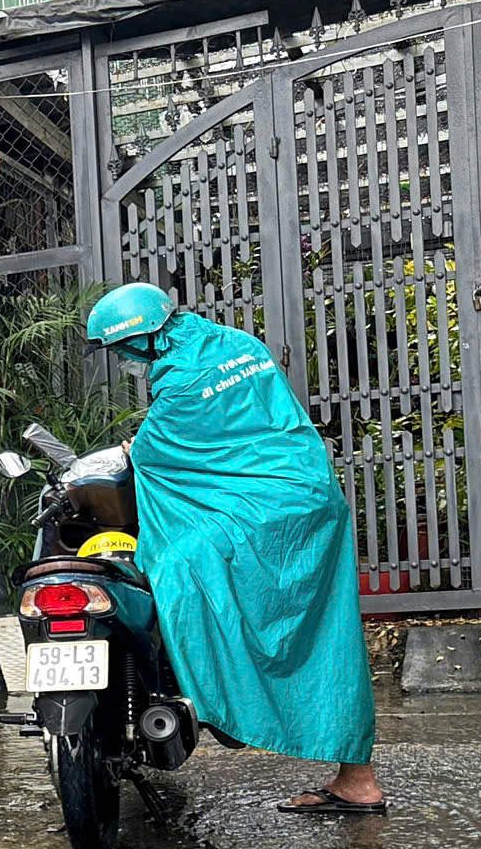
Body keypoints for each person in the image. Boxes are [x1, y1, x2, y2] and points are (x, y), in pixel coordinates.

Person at [84, 282, 385, 815]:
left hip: (260, 507)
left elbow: (159, 449)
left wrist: (136, 446)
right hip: (306, 493)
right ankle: (356, 780)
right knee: (328, 638)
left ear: (147, 339)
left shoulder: (180, 377)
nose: (125, 361)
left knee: (177, 570)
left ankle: (217, 699)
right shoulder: (236, 343)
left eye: (124, 350)